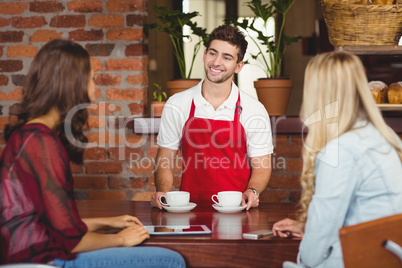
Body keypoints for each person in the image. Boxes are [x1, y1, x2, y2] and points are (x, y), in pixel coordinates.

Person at [0, 39, 185, 267]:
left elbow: (52, 223)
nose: (94, 87)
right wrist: (119, 239)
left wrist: (104, 222)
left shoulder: (29, 135)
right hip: (41, 258)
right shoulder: (42, 142)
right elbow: (70, 240)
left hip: (34, 249)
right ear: (73, 84)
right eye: (91, 78)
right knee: (170, 260)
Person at [272, 51, 402, 268]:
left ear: (318, 94)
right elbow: (354, 215)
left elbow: (313, 255)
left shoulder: (342, 150)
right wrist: (309, 228)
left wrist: (312, 239)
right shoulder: (377, 137)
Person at [150, 25, 273, 210]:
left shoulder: (254, 110)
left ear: (238, 66)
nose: (216, 62)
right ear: (205, 54)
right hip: (188, 210)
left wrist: (252, 191)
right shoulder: (177, 104)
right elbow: (165, 159)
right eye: (213, 53)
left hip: (236, 210)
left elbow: (262, 167)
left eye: (227, 57)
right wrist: (163, 192)